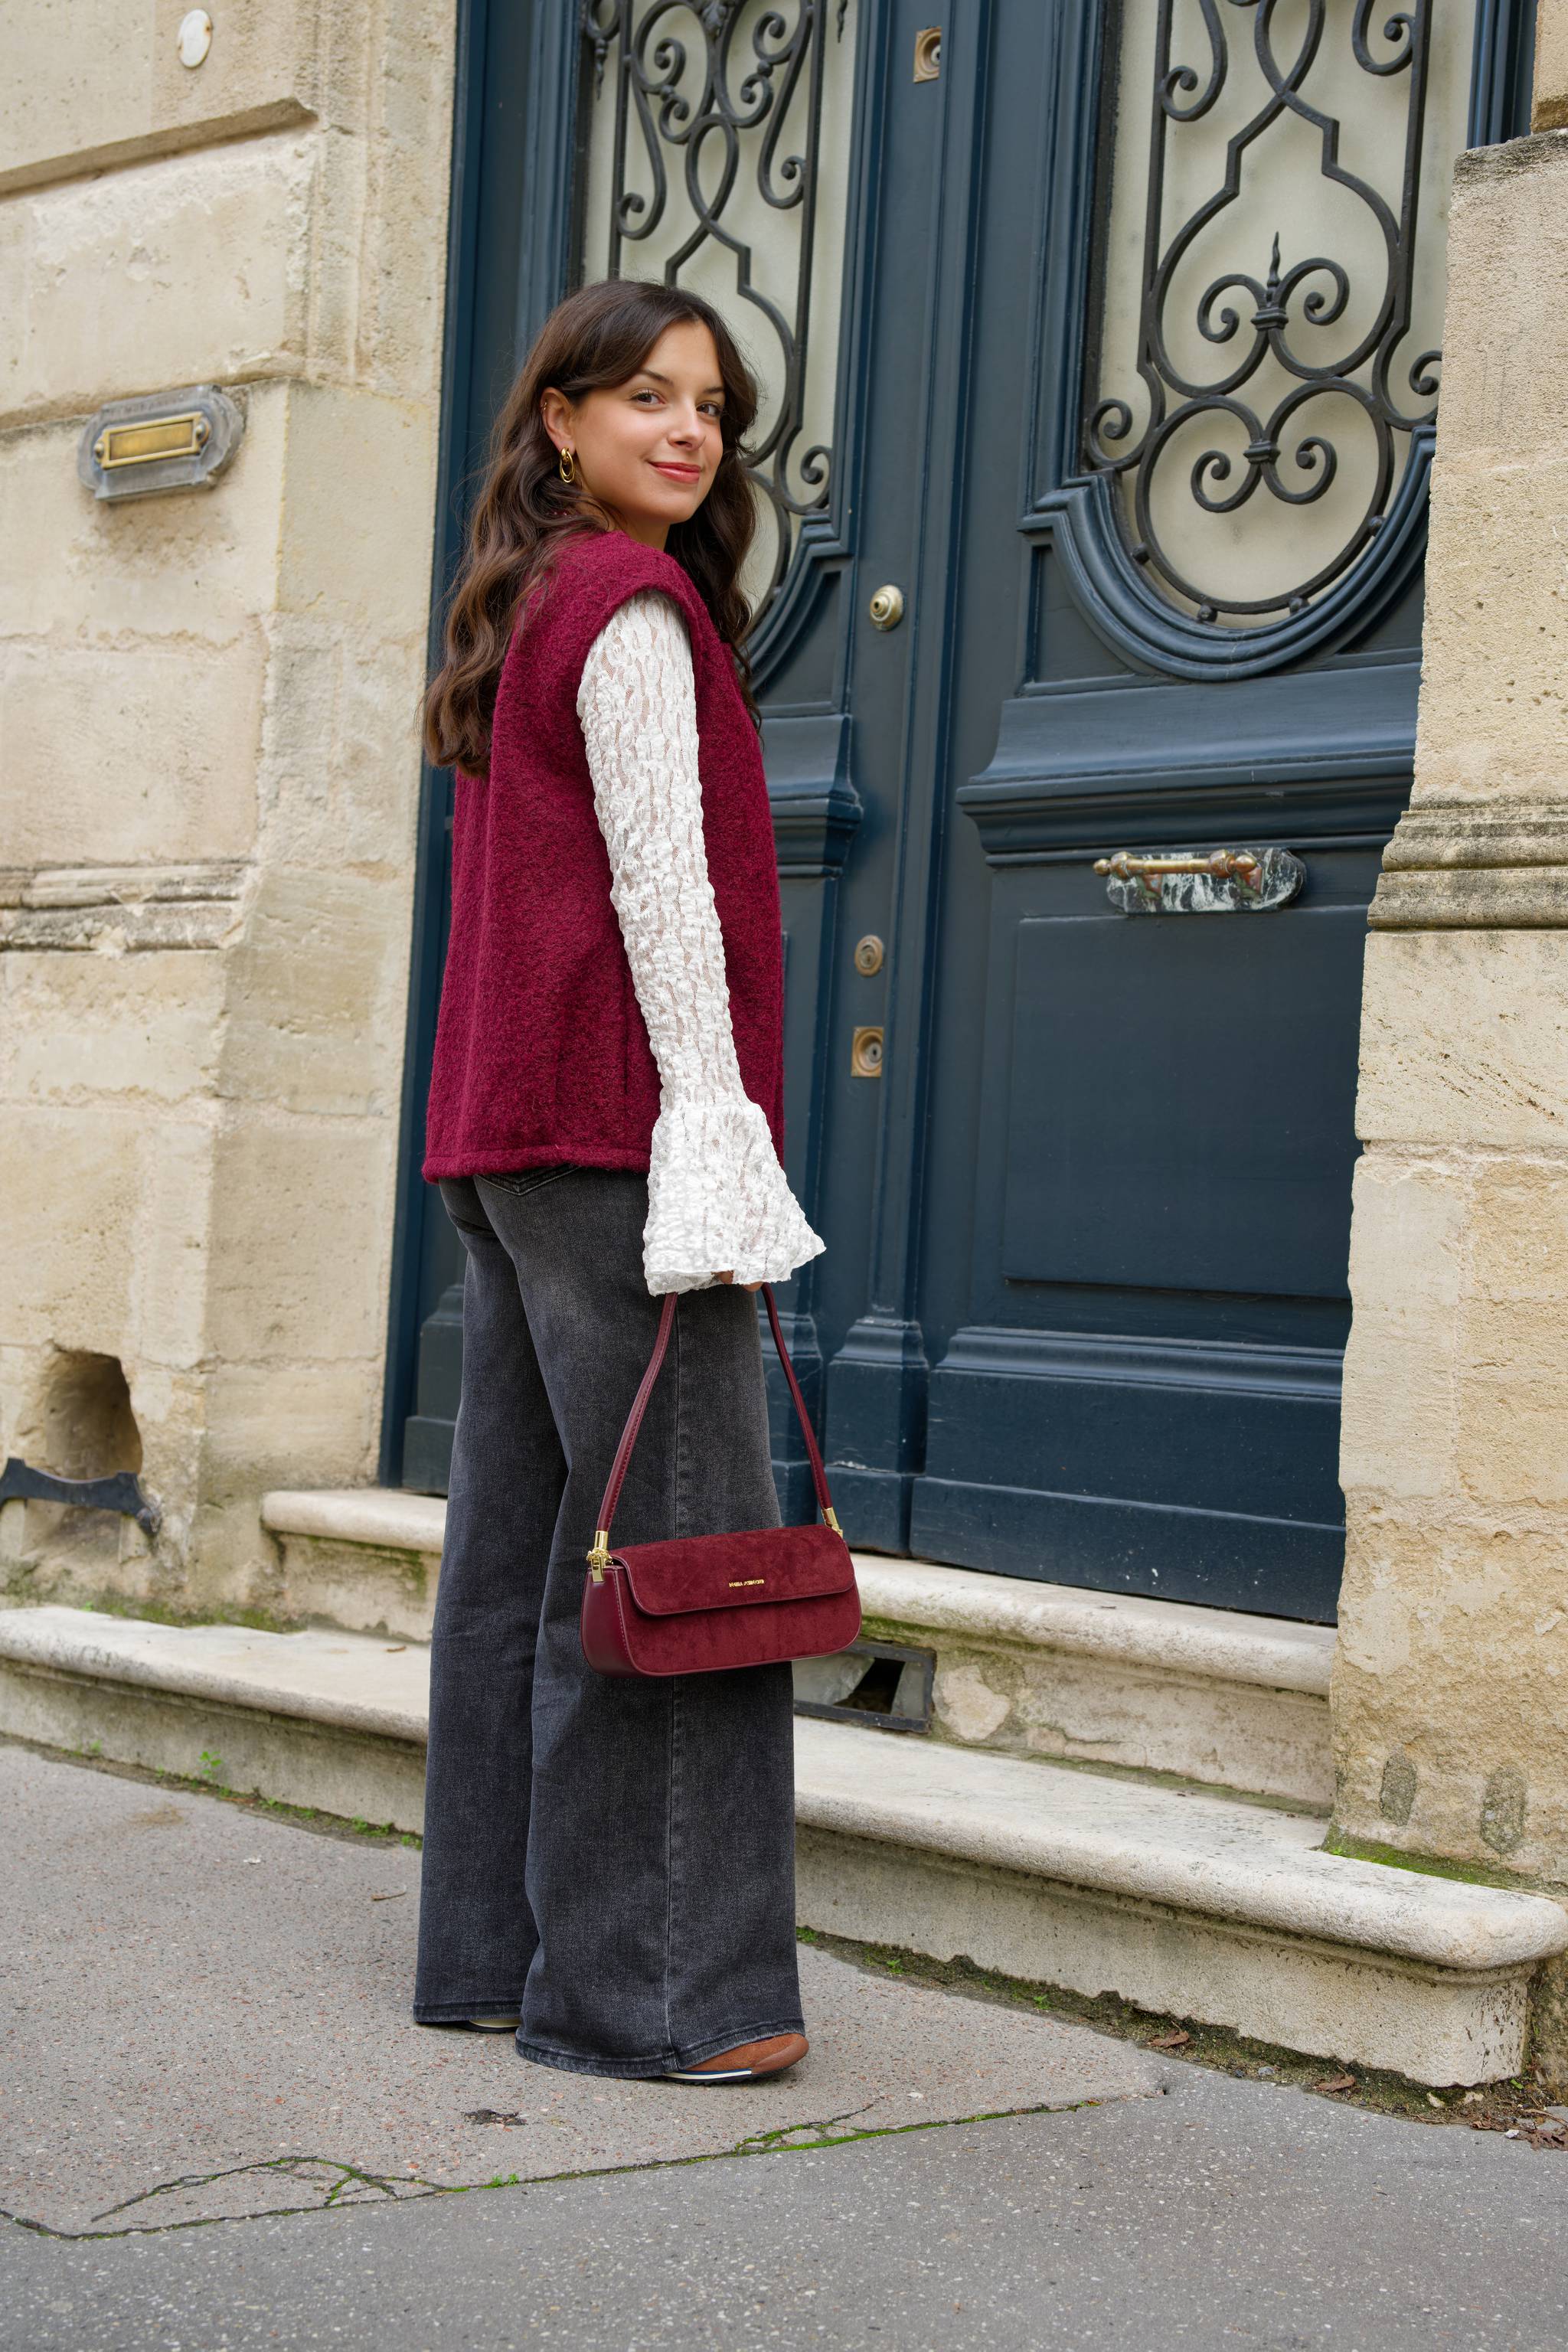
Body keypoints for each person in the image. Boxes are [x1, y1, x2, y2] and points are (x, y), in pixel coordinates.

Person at [411, 276, 826, 2085]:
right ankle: (660, 1995)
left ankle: (488, 1958)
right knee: (686, 1559)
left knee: (513, 1557)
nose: (686, 429)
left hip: (510, 1136)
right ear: (561, 419)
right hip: (622, 1136)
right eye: (645, 395)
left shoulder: (518, 606)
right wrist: (717, 1139)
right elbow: (666, 894)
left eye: (713, 407)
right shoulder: (633, 605)